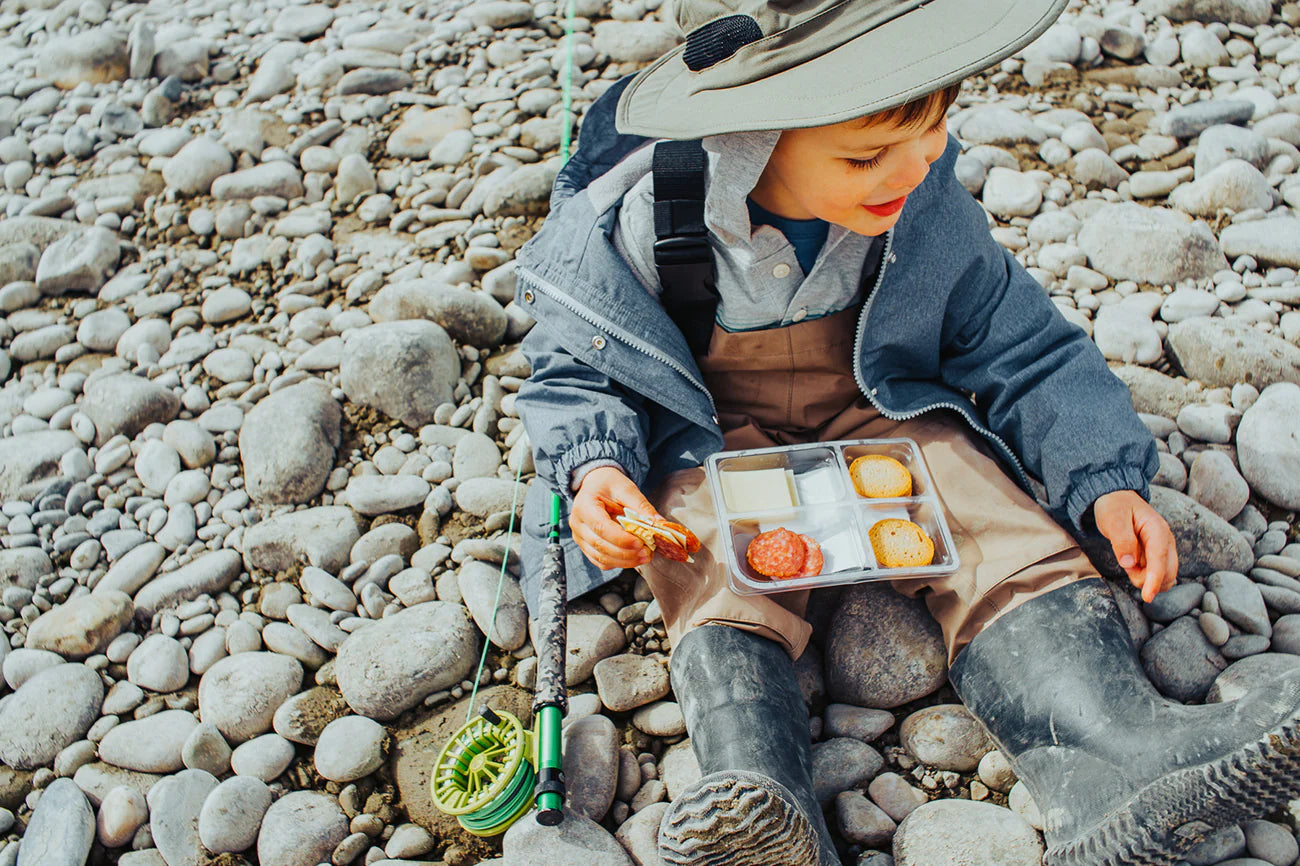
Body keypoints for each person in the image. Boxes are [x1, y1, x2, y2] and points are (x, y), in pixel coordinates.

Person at [513, 2, 1300, 864]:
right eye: (866, 156)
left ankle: (1116, 757)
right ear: (746, 139)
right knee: (702, 549)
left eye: (932, 129)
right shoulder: (641, 221)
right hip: (713, 429)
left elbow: (1025, 346)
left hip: (876, 401)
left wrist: (1104, 478)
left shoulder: (920, 205)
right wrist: (595, 469)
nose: (919, 163)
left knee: (985, 511)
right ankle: (761, 797)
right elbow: (576, 365)